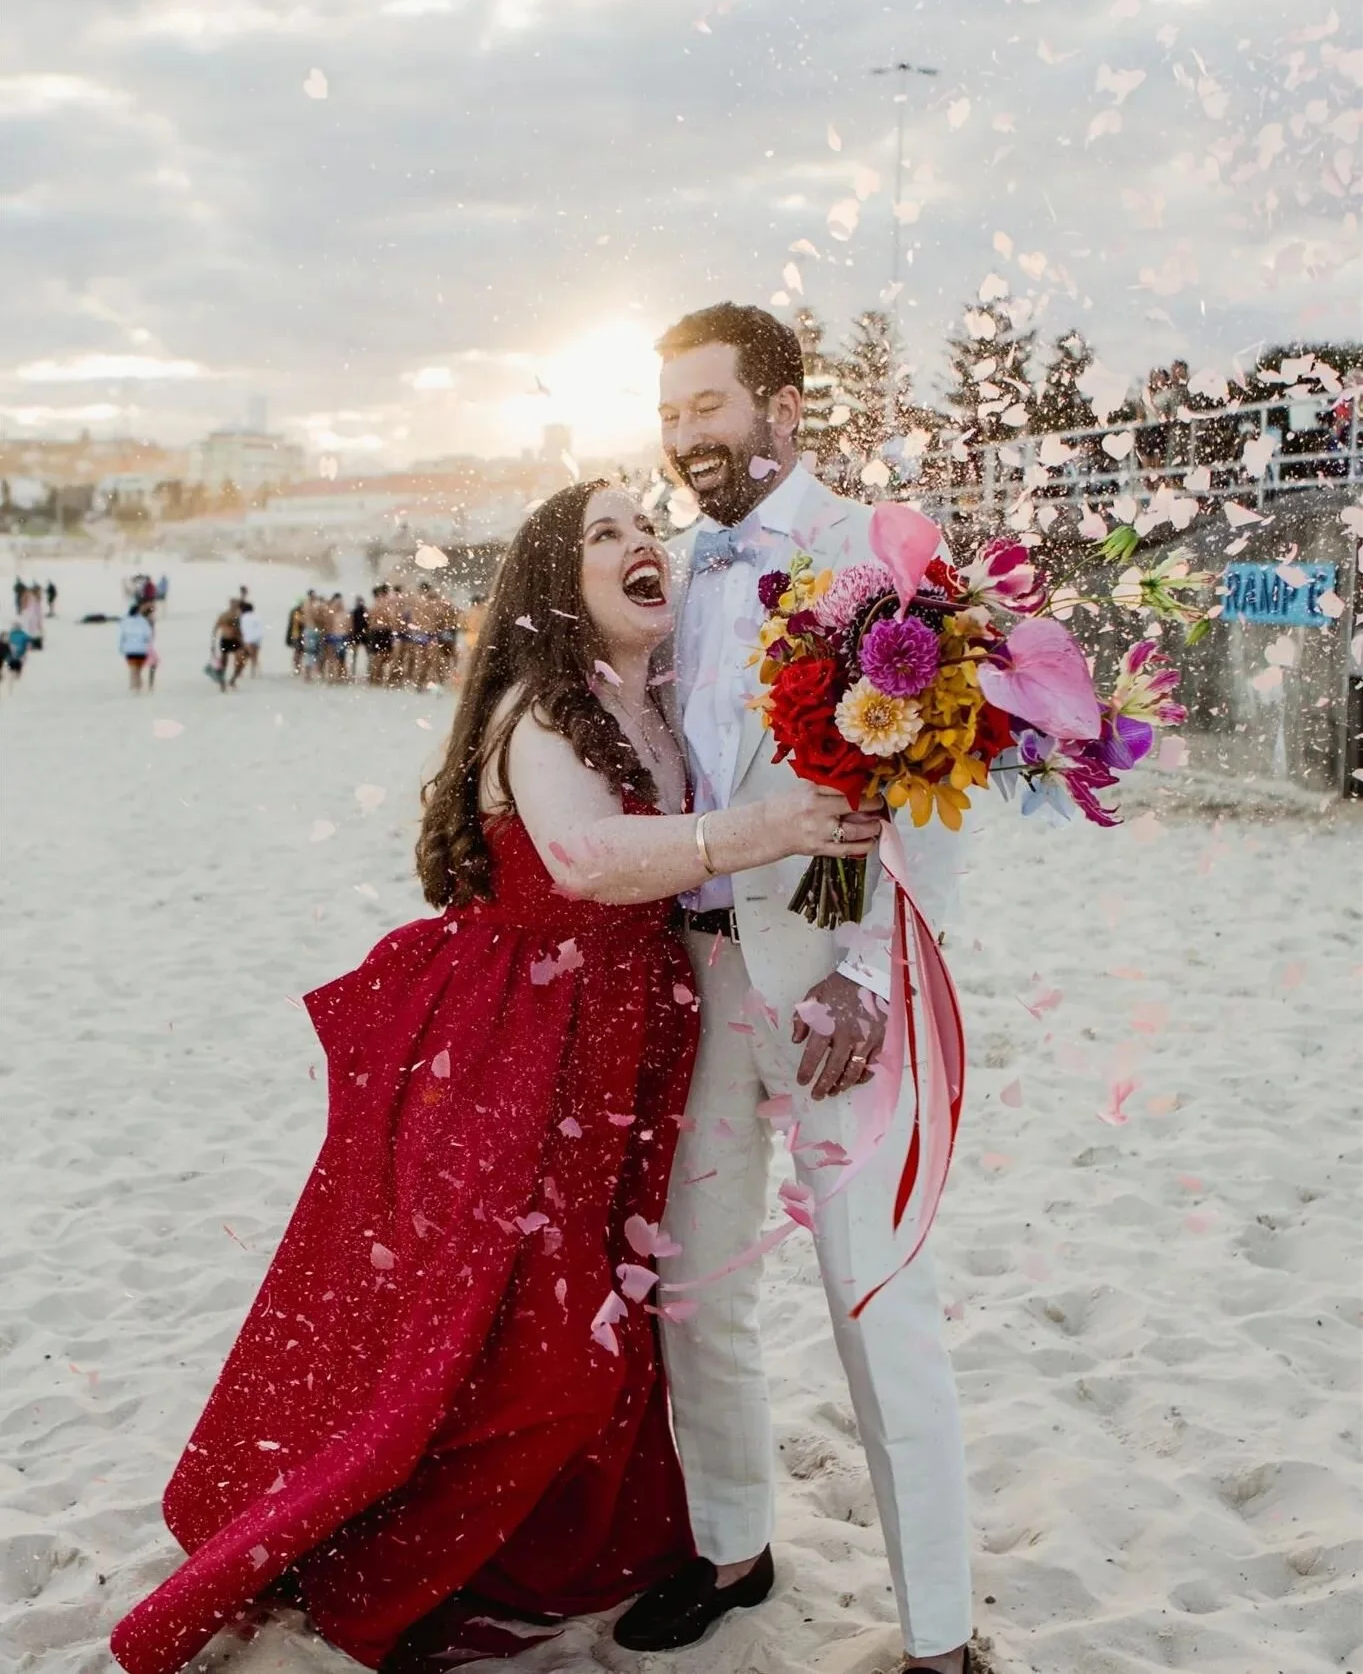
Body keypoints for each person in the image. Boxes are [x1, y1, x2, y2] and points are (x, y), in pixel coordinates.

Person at [109, 480, 874, 1674]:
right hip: (520, 1047)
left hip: (624, 1042)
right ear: (552, 588)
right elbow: (581, 857)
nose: (638, 547)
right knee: (504, 1330)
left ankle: (550, 1539)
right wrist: (769, 831)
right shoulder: (544, 709)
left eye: (643, 529)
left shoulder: (665, 703)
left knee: (592, 1315)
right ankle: (384, 1549)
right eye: (603, 535)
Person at [612, 305, 974, 1673]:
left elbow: (930, 784)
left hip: (829, 986)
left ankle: (936, 1631)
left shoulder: (869, 554)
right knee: (693, 1284)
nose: (684, 433)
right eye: (669, 411)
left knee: (873, 1295)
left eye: (707, 404)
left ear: (781, 406)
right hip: (689, 977)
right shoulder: (660, 573)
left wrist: (871, 972)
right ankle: (730, 1545)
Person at [118, 600, 155, 692]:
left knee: (132, 671)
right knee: (138, 671)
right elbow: (148, 635)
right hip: (142, 650)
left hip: (130, 650)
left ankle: (134, 689)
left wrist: (121, 648)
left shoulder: (124, 622)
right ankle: (139, 689)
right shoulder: (144, 622)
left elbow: (121, 637)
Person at [239, 599, 263, 676]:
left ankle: (241, 672)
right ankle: (255, 671)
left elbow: (243, 629)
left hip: (248, 639)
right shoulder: (257, 617)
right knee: (255, 656)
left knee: (245, 656)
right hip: (257, 639)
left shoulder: (243, 617)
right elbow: (260, 628)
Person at [350, 593, 370, 681]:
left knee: (358, 654)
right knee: (362, 654)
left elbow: (351, 624)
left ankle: (355, 670)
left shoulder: (356, 611)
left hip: (359, 634)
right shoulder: (363, 611)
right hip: (361, 634)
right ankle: (356, 670)